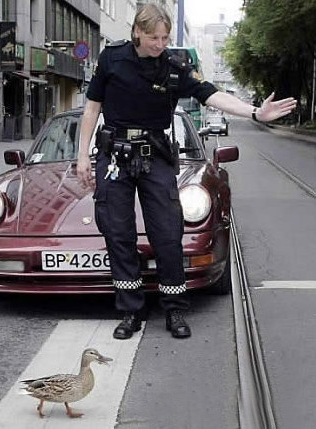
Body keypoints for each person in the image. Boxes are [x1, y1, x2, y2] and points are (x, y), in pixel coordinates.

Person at [76, 3, 297, 340]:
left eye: (165, 38)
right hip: (115, 158)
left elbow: (212, 95)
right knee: (117, 234)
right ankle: (131, 311)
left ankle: (174, 308)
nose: (160, 44)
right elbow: (92, 108)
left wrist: (254, 113)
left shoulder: (175, 68)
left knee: (166, 234)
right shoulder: (112, 59)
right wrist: (82, 156)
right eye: (153, 38)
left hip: (156, 157)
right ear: (136, 32)